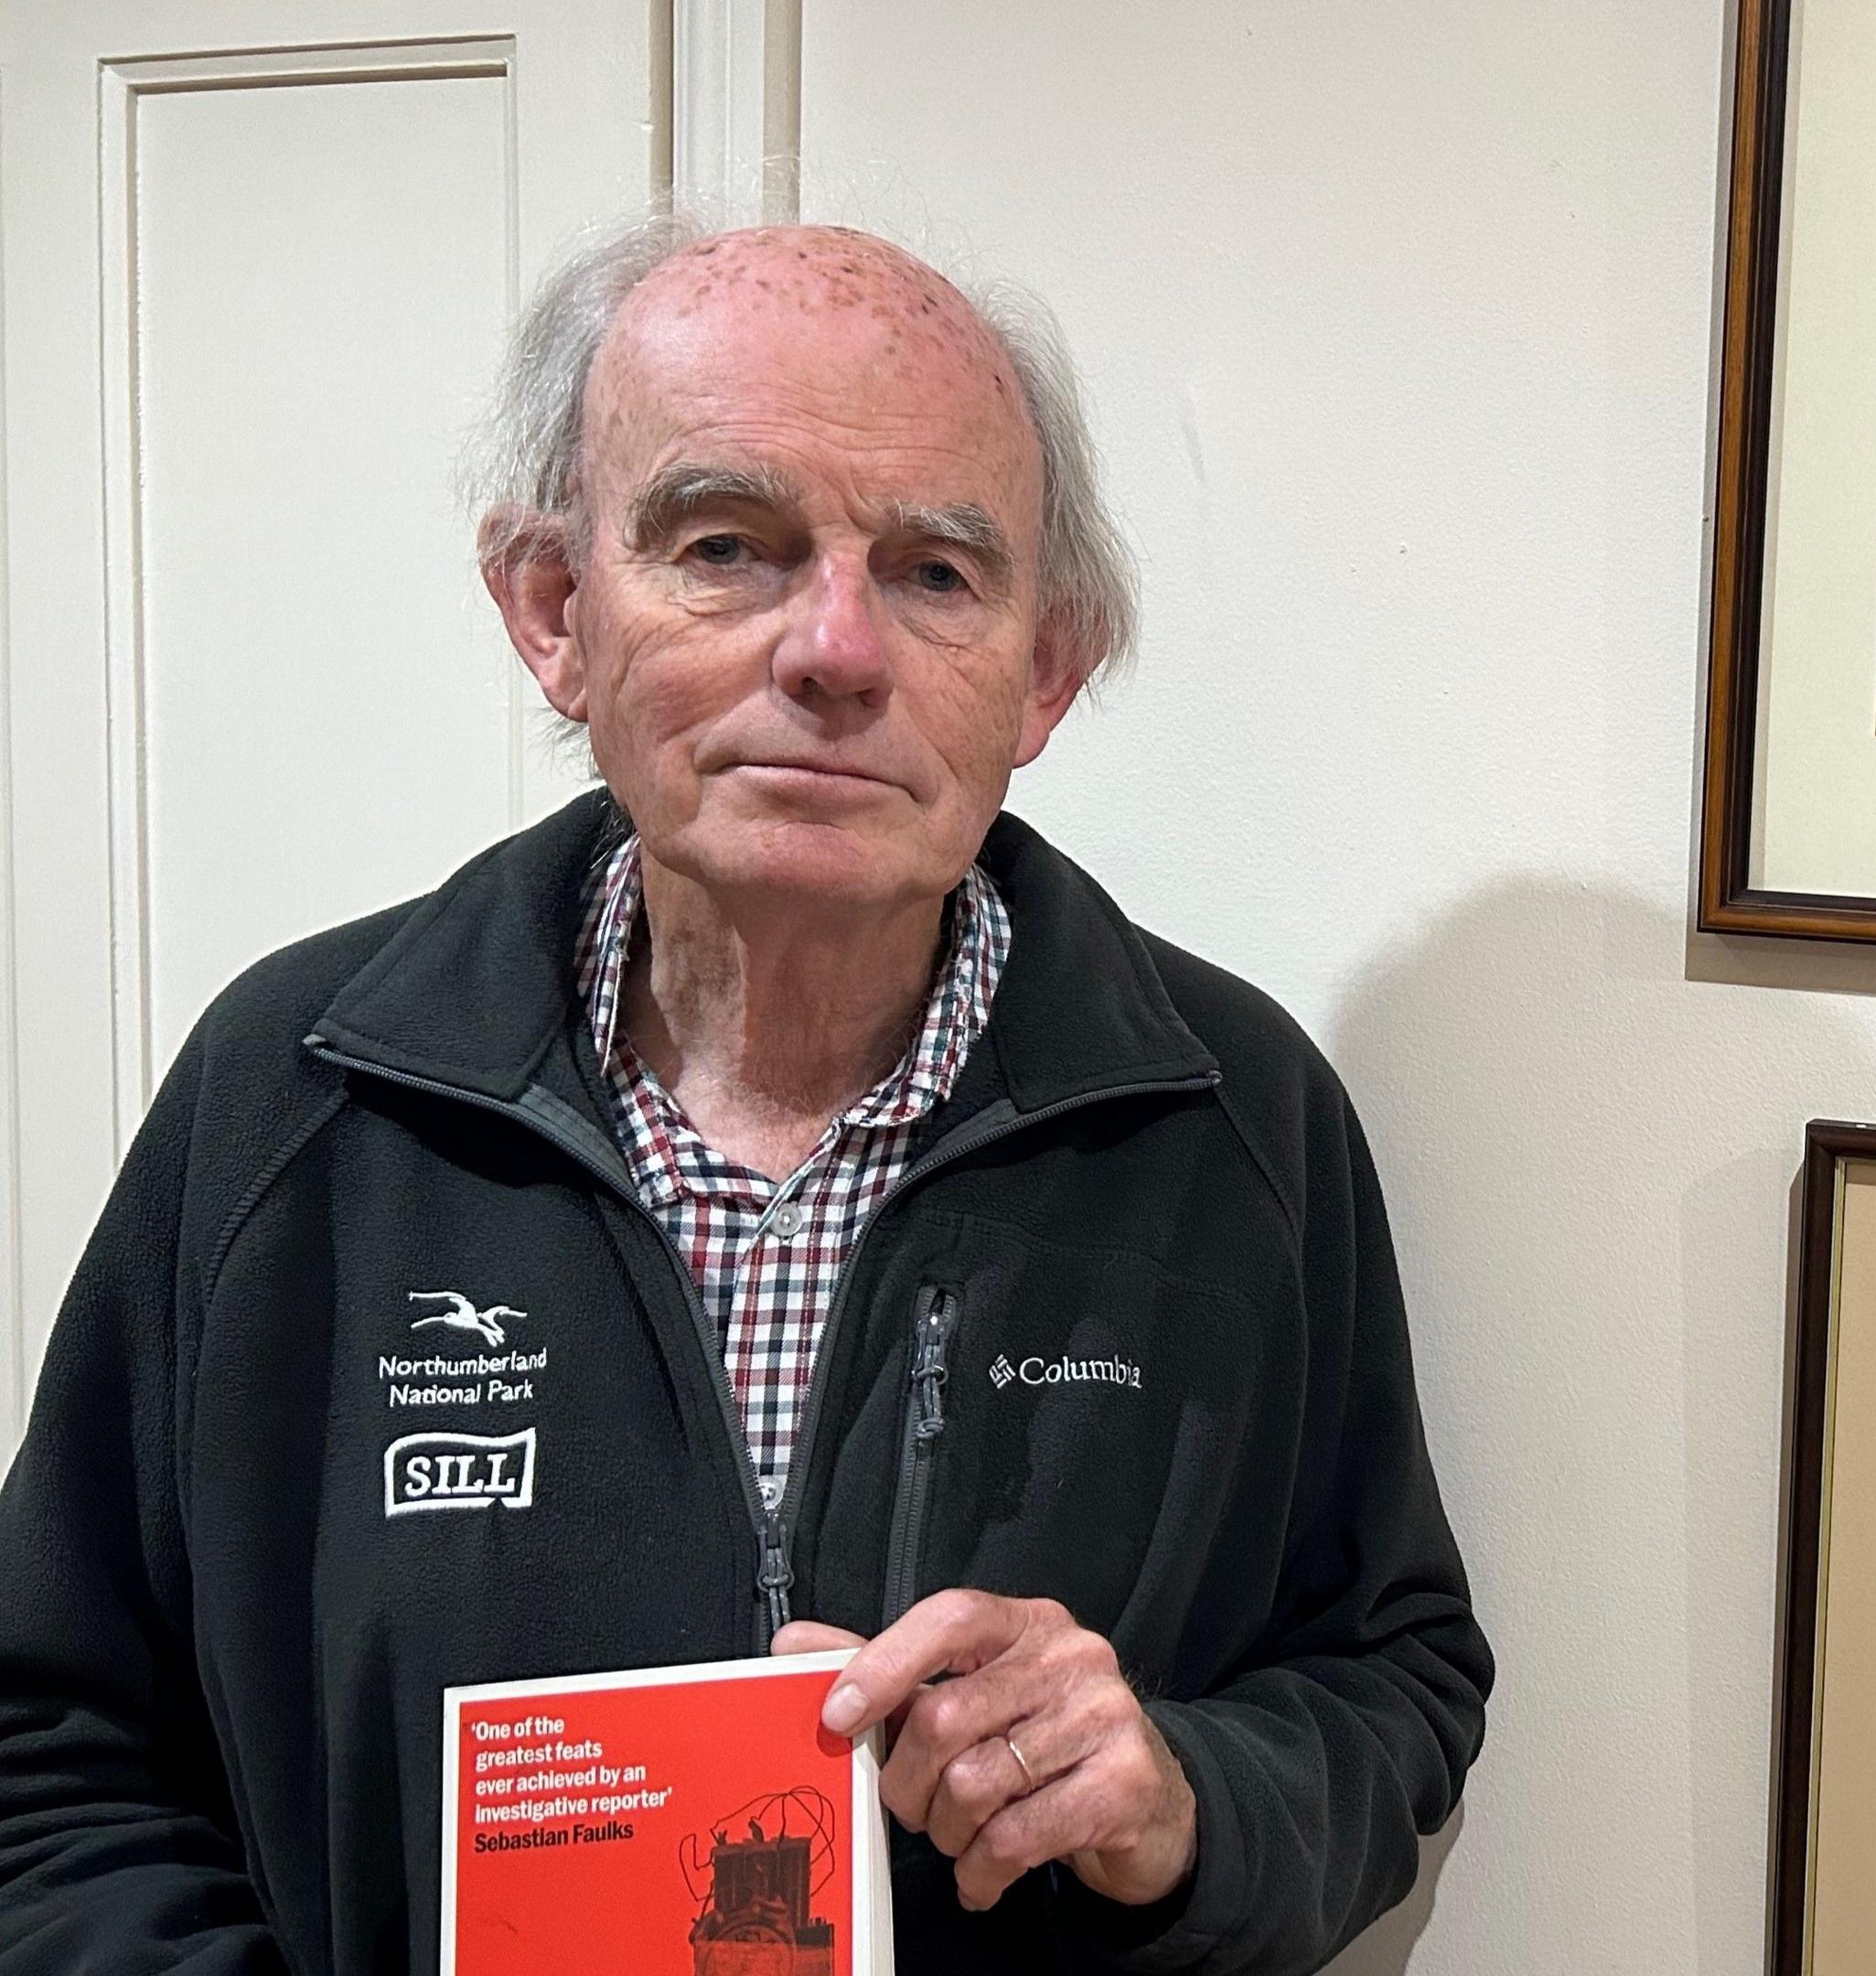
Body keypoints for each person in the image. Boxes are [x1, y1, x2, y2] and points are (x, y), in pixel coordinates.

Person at [0, 221, 1491, 1971]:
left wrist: (1184, 1799)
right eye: (729, 547)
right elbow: (53, 1749)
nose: (838, 650)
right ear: (556, 612)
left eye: (937, 572)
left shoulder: (1234, 1120)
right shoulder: (295, 1099)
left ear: (1045, 668)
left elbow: (1395, 1675)